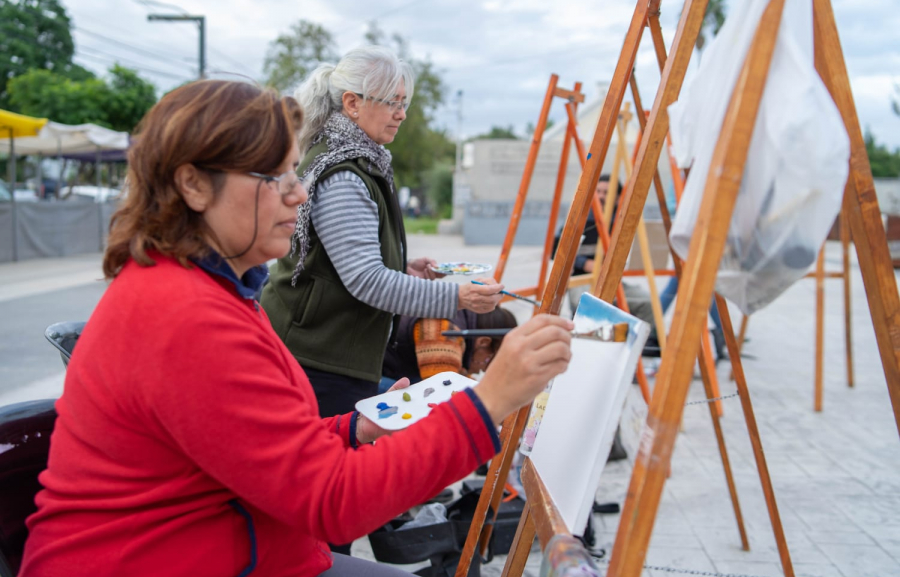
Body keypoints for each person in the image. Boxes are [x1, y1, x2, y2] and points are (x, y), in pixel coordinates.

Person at [19, 80, 574, 577]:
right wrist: (491, 399)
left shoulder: (214, 289)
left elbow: (266, 444)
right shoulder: (184, 315)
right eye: (274, 176)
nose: (300, 193)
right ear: (193, 186)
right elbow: (332, 502)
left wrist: (353, 432)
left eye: (293, 171)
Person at [260, 45, 503, 421]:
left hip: (325, 352)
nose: (402, 114)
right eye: (392, 102)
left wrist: (401, 266)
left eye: (403, 102)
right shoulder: (343, 173)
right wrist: (459, 297)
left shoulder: (355, 160)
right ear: (352, 103)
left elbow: (341, 263)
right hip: (318, 360)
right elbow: (366, 280)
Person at [381, 306, 519, 389]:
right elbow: (441, 393)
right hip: (371, 379)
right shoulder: (443, 332)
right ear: (483, 342)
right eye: (487, 361)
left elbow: (461, 378)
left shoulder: (461, 319)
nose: (480, 371)